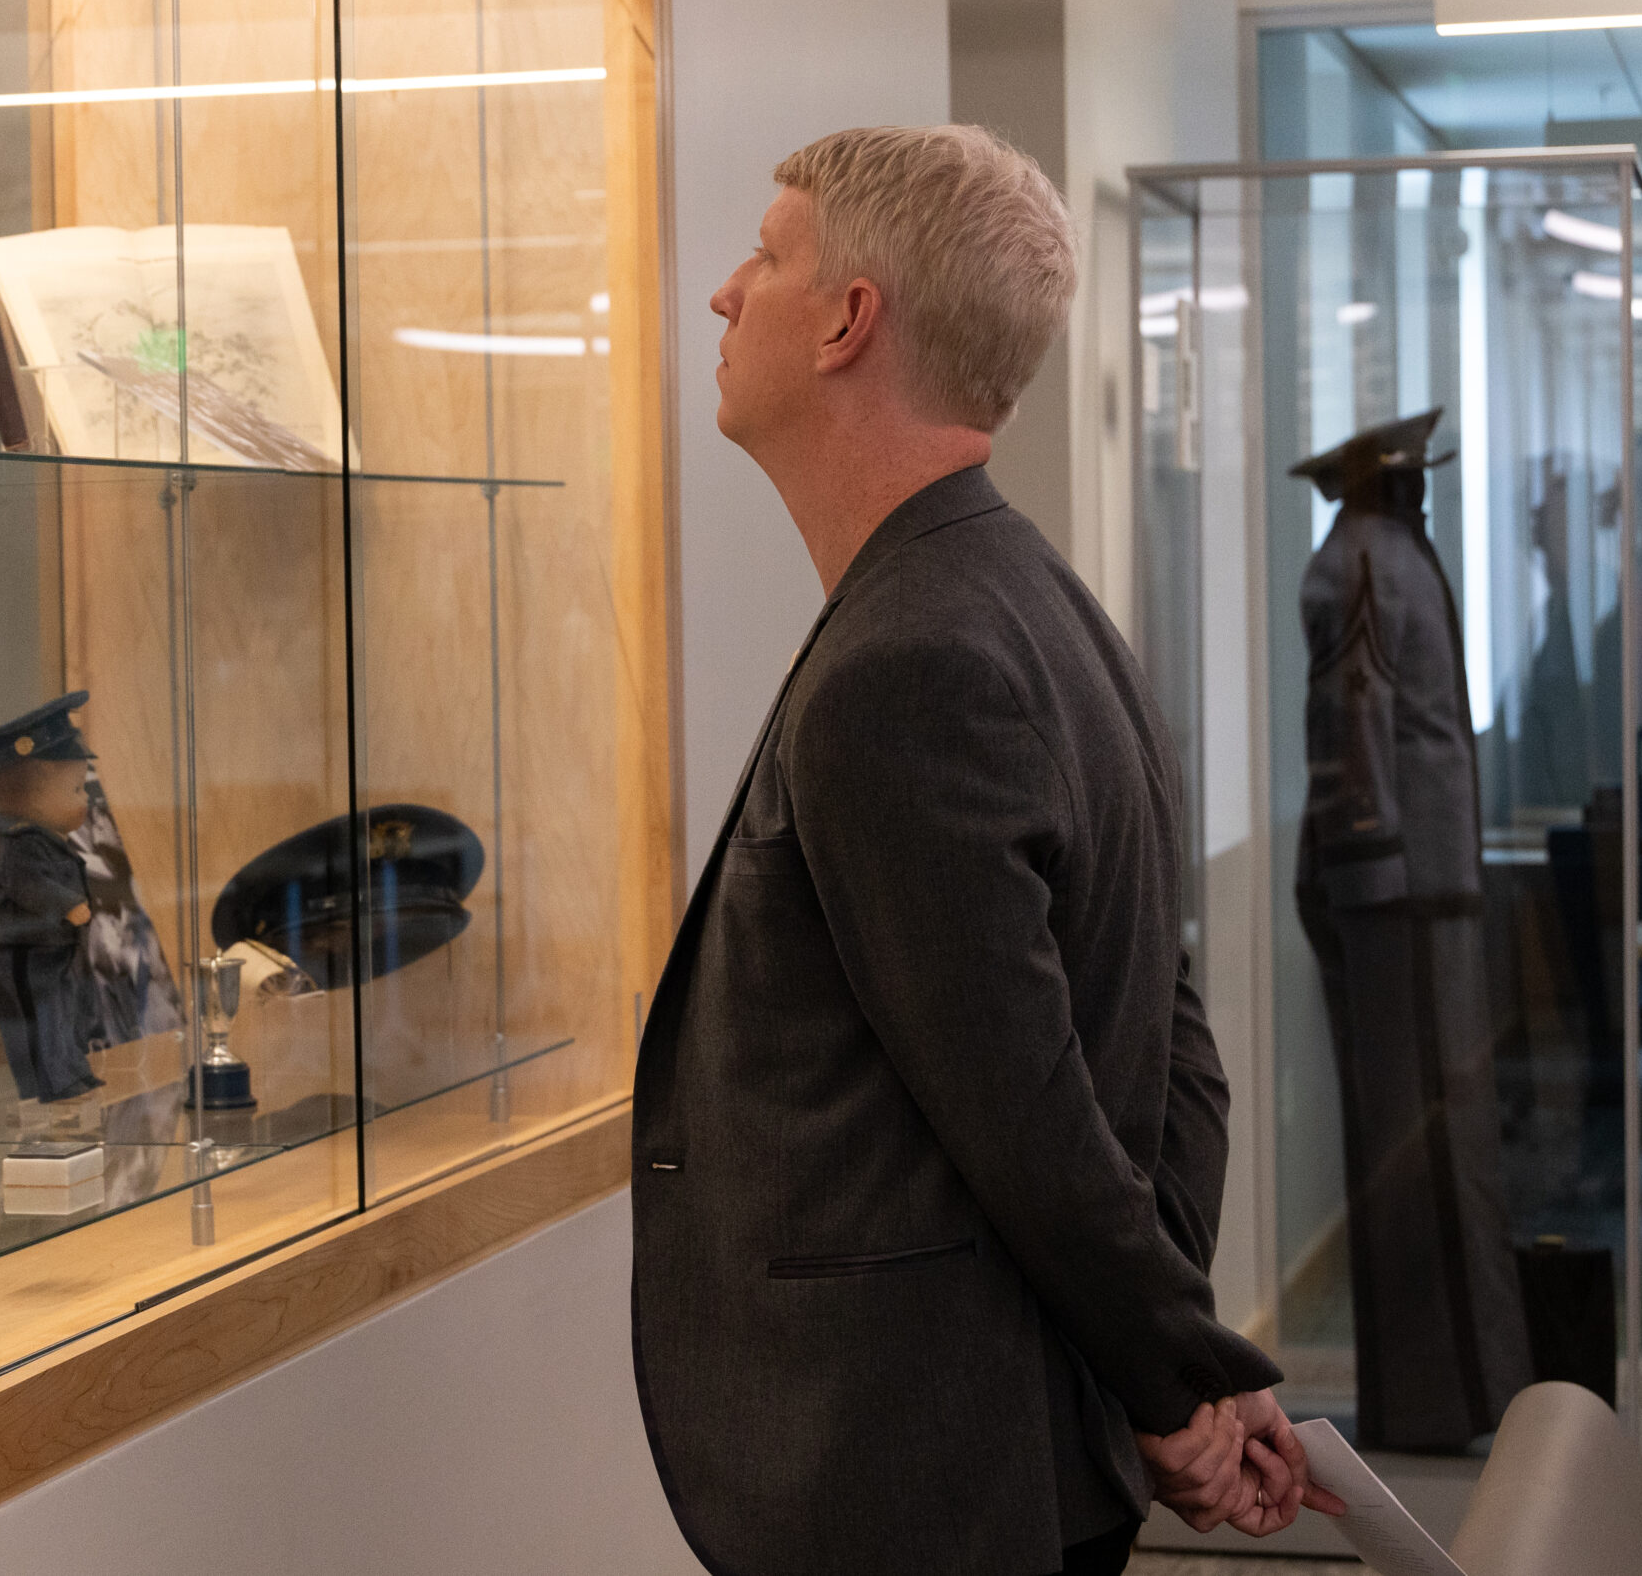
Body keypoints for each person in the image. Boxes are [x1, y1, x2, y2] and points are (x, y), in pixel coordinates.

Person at [629, 126, 1344, 1576]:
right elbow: (1168, 1050)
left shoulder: (909, 660)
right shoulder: (1039, 606)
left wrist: (1172, 1381)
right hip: (995, 1460)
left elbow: (1032, 1112)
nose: (723, 292)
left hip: (911, 1483)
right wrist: (1169, 1365)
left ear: (848, 320)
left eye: (765, 256)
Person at [1292, 412, 1531, 1452]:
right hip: (1401, 900)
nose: (1418, 490)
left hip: (1415, 892)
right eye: (1405, 474)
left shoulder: (1372, 556)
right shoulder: (1360, 563)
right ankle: (1434, 1403)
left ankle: (1457, 1396)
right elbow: (1353, 739)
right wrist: (1376, 887)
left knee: (1441, 1143)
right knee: (1419, 1148)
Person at [0, 691, 105, 1107]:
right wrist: (66, 903)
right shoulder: (19, 844)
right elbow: (28, 883)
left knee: (62, 1012)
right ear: (28, 797)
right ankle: (51, 1082)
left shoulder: (45, 839)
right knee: (39, 1018)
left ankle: (71, 1071)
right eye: (76, 789)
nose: (85, 800)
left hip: (50, 944)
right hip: (23, 950)